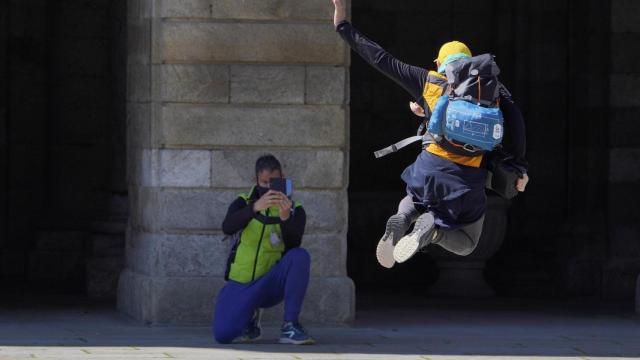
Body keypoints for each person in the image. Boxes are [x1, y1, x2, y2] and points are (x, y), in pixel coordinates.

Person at [331, 0, 530, 268]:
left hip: (431, 166)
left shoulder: (428, 82)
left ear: (440, 63)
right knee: (468, 242)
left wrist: (342, 24)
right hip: (468, 179)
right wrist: (518, 165)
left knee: (413, 197)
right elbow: (516, 121)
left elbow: (380, 59)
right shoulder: (492, 88)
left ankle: (402, 218)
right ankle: (434, 233)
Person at [213, 154, 315, 345]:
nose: (269, 188)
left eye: (273, 182)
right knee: (223, 334)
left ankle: (290, 325)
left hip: (270, 283)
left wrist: (285, 218)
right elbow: (227, 227)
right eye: (264, 182)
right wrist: (254, 208)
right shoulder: (243, 202)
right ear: (255, 180)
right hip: (242, 283)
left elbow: (294, 245)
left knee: (300, 256)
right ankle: (249, 317)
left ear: (282, 180)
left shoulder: (295, 209)